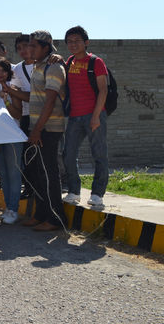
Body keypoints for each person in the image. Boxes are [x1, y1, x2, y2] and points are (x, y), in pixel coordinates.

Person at [4, 31, 67, 232]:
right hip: (37, 127)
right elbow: (34, 97)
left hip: (48, 128)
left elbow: (50, 101)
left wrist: (37, 130)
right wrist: (8, 90)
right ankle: (41, 214)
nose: (29, 49)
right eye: (28, 45)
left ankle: (56, 219)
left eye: (33, 46)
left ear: (45, 47)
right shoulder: (38, 66)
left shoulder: (54, 67)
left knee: (49, 174)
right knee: (37, 174)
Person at [62, 25, 109, 209]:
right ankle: (74, 191)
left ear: (86, 42)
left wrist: (96, 116)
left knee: (99, 154)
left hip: (94, 114)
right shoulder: (69, 62)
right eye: (69, 42)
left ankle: (97, 194)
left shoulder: (96, 62)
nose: (73, 44)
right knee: (68, 154)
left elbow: (103, 90)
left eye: (77, 41)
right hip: (75, 117)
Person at [0, 57, 23, 225]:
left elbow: (17, 114)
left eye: (3, 70)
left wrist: (6, 100)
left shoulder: (14, 89)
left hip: (13, 135)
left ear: (8, 73)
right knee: (3, 173)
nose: (0, 73)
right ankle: (8, 208)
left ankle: (13, 209)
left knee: (14, 173)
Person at [10, 34, 36, 199]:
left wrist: (19, 93)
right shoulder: (17, 69)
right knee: (27, 155)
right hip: (26, 115)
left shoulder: (45, 64)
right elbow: (16, 92)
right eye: (19, 48)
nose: (23, 50)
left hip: (45, 115)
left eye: (26, 46)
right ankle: (29, 187)